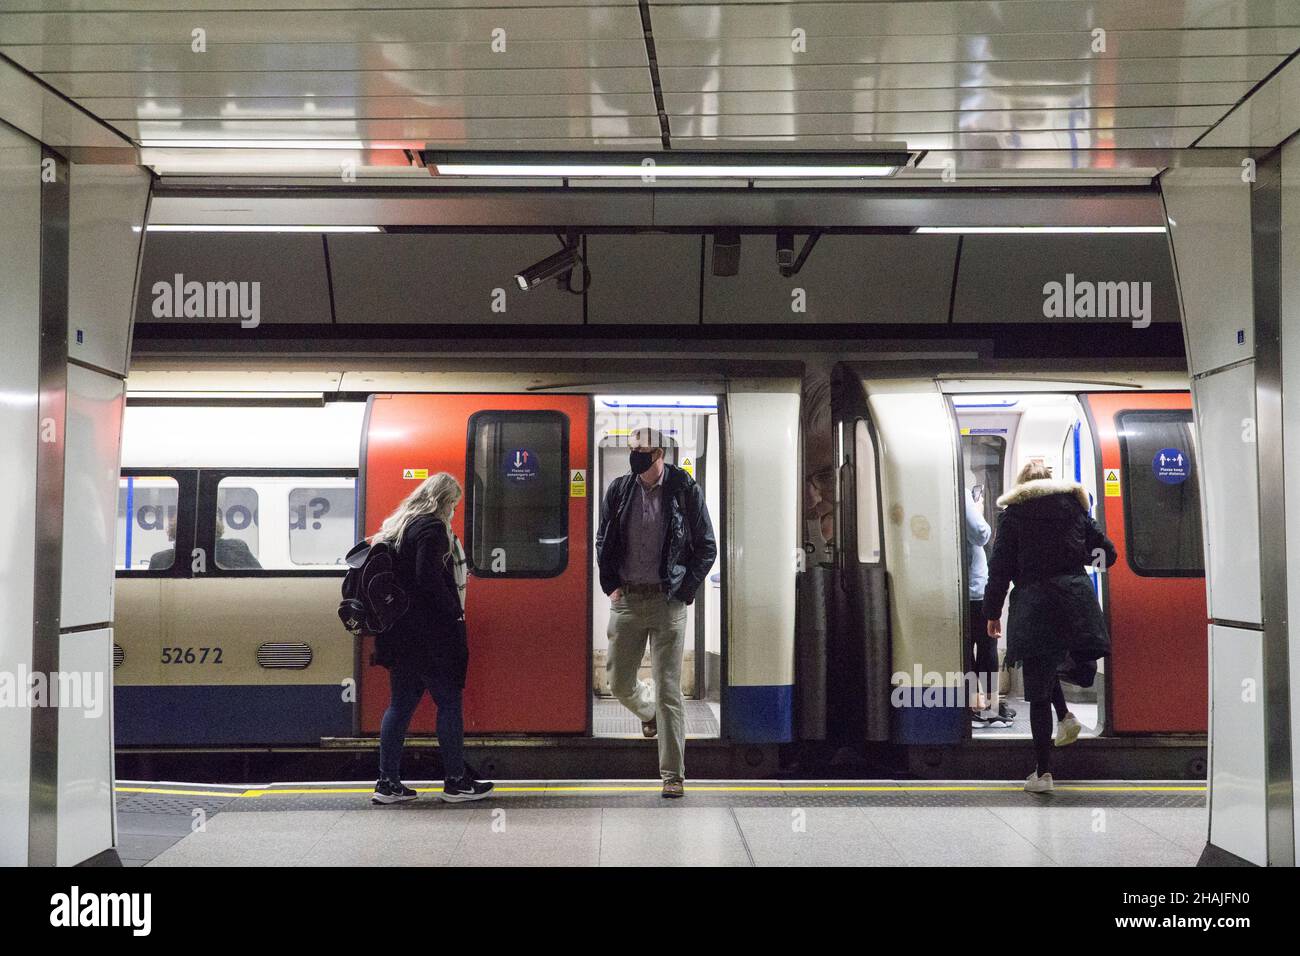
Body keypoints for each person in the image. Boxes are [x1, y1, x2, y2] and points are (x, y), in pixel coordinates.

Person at [596, 427, 717, 798]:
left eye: (643, 451)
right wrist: (610, 584)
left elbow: (706, 547)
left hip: (668, 603)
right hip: (628, 600)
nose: (636, 457)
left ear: (659, 454)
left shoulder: (684, 490)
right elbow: (604, 538)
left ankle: (673, 774)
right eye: (632, 450)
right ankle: (648, 713)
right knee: (618, 681)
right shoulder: (619, 489)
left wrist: (683, 591)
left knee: (668, 688)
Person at [983, 462, 1116, 794]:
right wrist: (1079, 562)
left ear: (1021, 484)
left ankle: (1043, 774)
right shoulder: (1074, 507)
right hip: (1075, 603)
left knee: (1038, 690)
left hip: (1035, 605)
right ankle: (1067, 717)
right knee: (1056, 667)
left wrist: (992, 612)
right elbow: (1107, 554)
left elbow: (1000, 569)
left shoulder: (1012, 514)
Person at [369, 472, 493, 805]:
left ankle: (387, 783)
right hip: (430, 637)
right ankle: (455, 782)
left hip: (400, 636)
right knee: (449, 703)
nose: (454, 510)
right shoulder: (433, 529)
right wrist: (453, 610)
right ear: (444, 501)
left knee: (400, 706)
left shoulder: (398, 526)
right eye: (453, 503)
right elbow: (427, 577)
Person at [965, 485, 1010, 728]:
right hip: (974, 587)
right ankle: (988, 708)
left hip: (965, 587)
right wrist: (977, 508)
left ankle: (975, 704)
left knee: (968, 651)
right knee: (986, 648)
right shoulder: (960, 492)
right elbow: (980, 533)